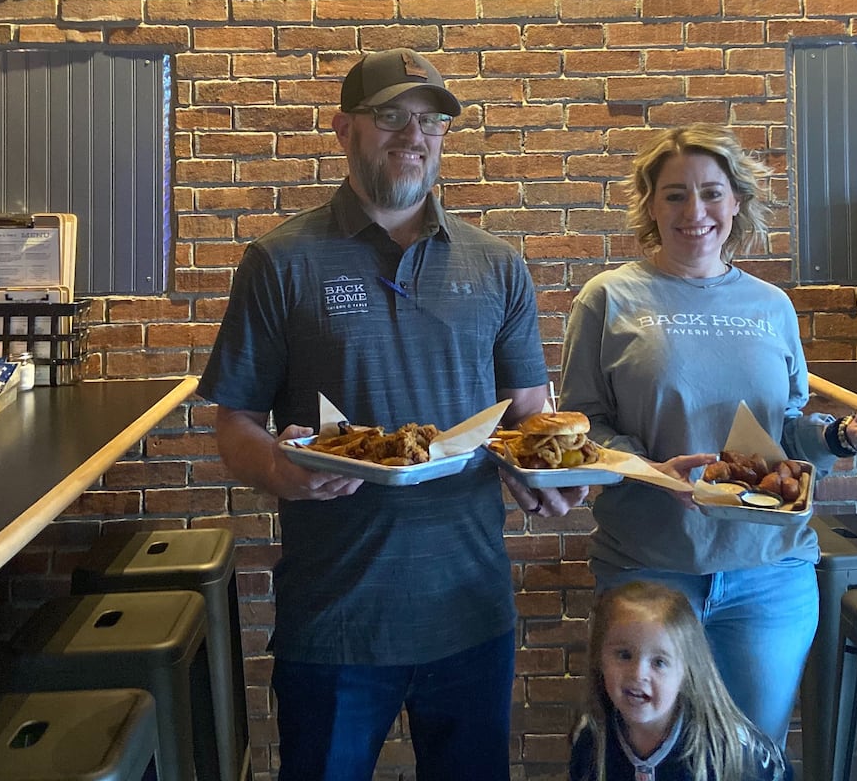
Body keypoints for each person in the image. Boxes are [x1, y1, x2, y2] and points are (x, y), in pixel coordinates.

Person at [199, 48, 586, 781]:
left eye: (430, 121)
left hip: (470, 609)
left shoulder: (497, 263)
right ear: (343, 129)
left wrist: (551, 474)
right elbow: (235, 422)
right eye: (390, 118)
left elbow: (530, 413)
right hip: (336, 618)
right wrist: (281, 471)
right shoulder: (279, 261)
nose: (413, 135)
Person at [559, 124, 857, 747]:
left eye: (710, 193)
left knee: (752, 750)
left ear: (736, 202)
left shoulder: (771, 305)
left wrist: (837, 439)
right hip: (648, 568)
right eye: (674, 194)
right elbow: (582, 423)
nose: (693, 212)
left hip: (769, 572)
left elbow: (782, 430)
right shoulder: (610, 297)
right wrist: (651, 470)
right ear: (649, 204)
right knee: (647, 748)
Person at [571, 580, 791, 781]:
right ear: (599, 659)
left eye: (659, 662)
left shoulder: (733, 752)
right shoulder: (591, 737)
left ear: (686, 672)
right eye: (624, 655)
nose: (638, 674)